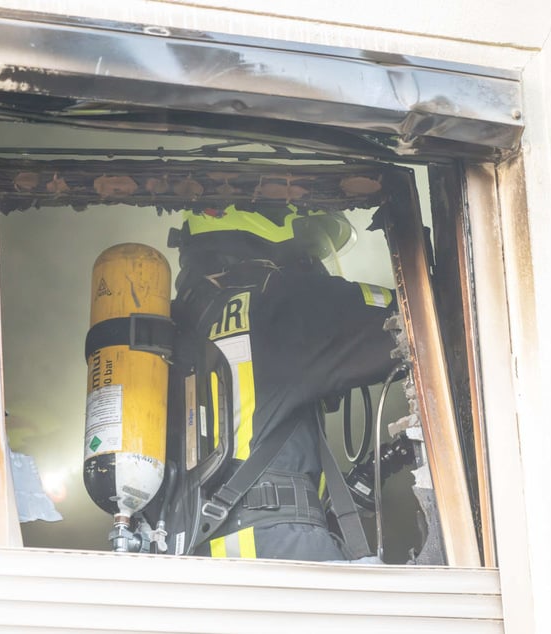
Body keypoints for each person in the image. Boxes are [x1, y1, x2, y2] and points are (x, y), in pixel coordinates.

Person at [166, 203, 398, 561]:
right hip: (279, 547)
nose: (312, 262)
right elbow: (416, 316)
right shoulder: (283, 301)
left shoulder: (179, 323)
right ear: (267, 230)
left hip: (192, 554)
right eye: (309, 247)